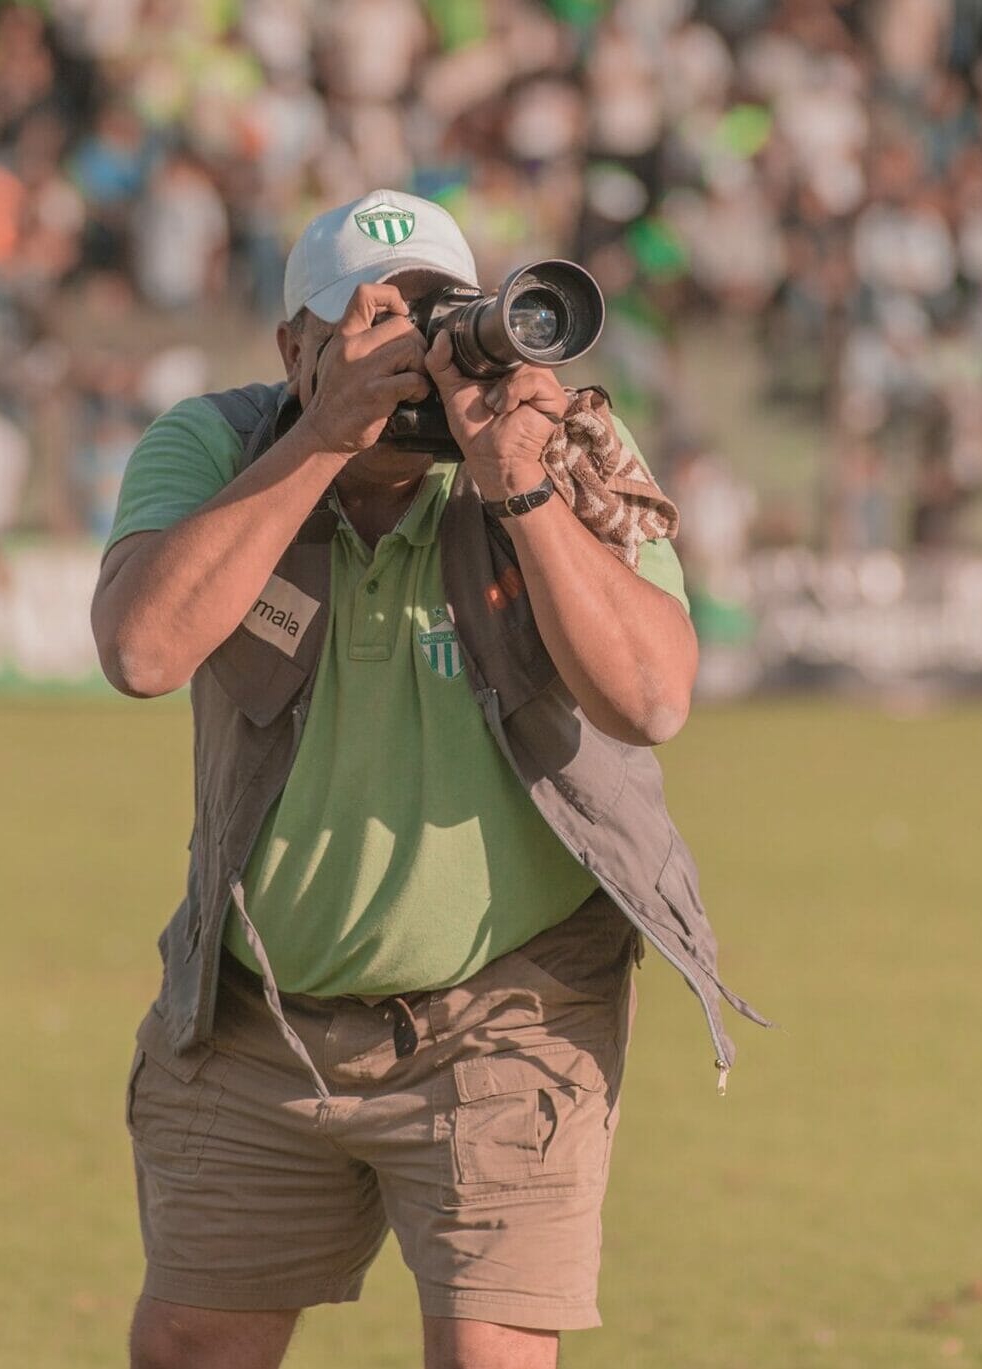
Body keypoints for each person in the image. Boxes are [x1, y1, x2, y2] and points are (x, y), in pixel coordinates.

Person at [91, 190, 764, 1369]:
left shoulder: (549, 442)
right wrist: (319, 443)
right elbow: (143, 653)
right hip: (262, 1010)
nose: (409, 353)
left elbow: (650, 697)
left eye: (434, 316)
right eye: (371, 322)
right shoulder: (217, 447)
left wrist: (522, 490)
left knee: (489, 1356)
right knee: (194, 1342)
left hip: (507, 1009)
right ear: (294, 346)